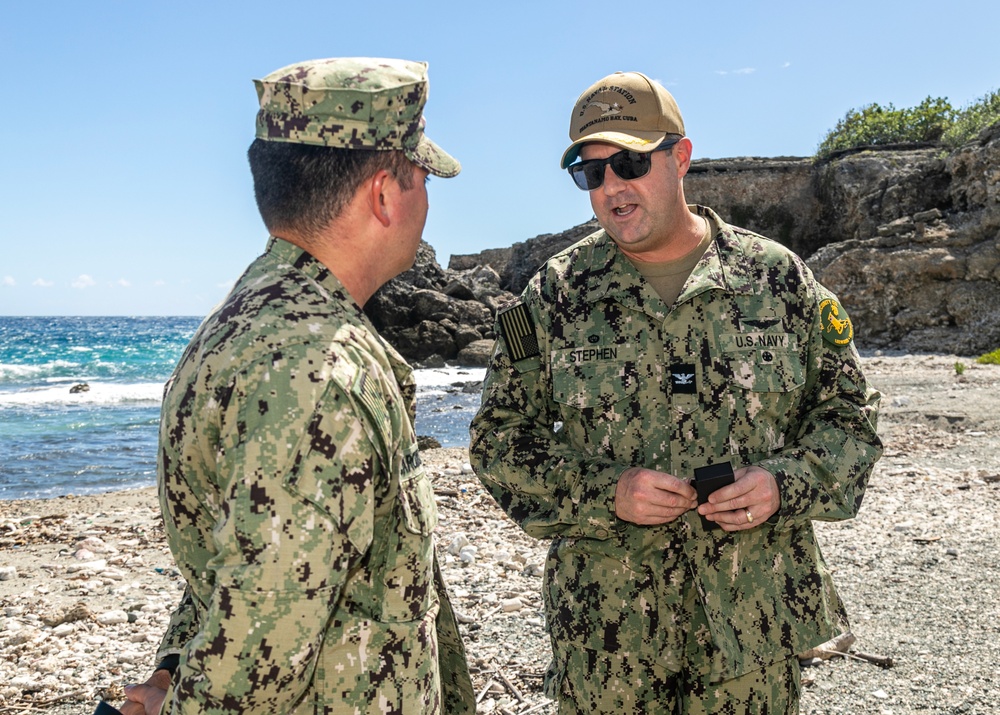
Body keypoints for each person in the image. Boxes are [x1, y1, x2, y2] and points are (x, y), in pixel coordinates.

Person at [469, 70, 883, 714]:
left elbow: (850, 419)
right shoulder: (554, 297)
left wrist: (783, 482)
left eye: (629, 163)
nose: (611, 188)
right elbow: (499, 443)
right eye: (590, 172)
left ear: (680, 157)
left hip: (751, 629)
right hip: (608, 642)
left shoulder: (776, 281)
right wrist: (605, 493)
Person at [121, 57, 474, 715]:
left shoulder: (247, 321)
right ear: (384, 194)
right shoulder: (319, 374)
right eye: (422, 175)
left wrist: (172, 667)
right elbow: (259, 653)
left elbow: (241, 558)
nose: (428, 197)